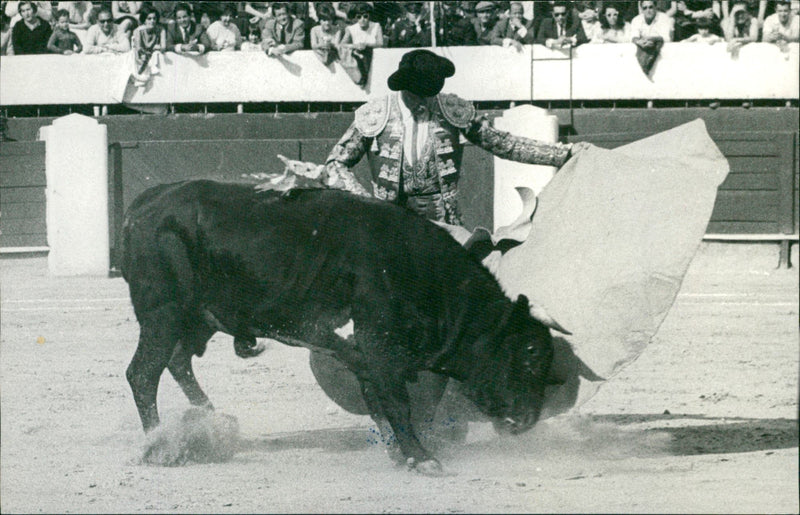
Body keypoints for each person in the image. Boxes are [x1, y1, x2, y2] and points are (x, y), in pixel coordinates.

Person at [339, 2, 383, 85]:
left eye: (365, 16)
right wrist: (355, 46)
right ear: (356, 18)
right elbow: (342, 44)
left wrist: (366, 44)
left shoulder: (376, 26)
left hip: (373, 58)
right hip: (358, 56)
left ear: (369, 16)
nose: (362, 19)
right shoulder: (351, 28)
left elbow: (380, 43)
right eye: (359, 17)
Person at [131, 5, 165, 83]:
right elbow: (139, 48)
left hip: (153, 55)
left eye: (154, 18)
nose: (152, 21)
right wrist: (145, 54)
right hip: (141, 56)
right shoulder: (138, 31)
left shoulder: (161, 29)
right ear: (144, 20)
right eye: (149, 19)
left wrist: (159, 47)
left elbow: (163, 47)